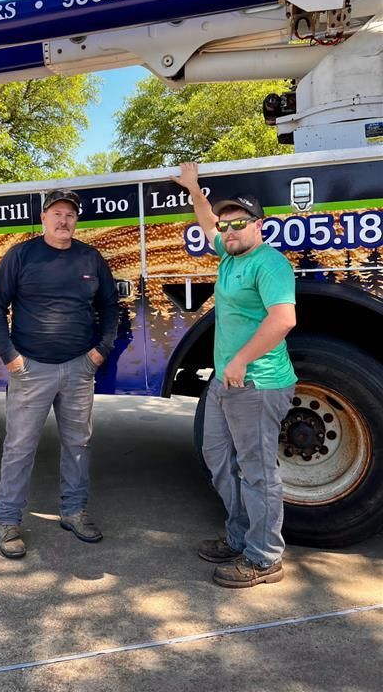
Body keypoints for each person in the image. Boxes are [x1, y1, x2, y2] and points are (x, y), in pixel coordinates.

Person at [174, 163, 297, 588]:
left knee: (257, 470)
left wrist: (242, 359)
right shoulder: (228, 254)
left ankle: (264, 558)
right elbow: (207, 219)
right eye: (226, 225)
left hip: (259, 383)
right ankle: (241, 536)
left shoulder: (270, 264)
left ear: (258, 226)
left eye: (238, 223)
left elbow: (283, 320)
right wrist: (194, 189)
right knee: (217, 457)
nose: (229, 230)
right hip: (226, 383)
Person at [0, 189, 119, 559]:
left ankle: (74, 512)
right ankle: (9, 520)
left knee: (78, 445)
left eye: (71, 215)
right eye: (57, 213)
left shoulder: (90, 258)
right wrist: (11, 358)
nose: (64, 221)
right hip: (30, 369)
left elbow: (111, 306)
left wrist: (99, 352)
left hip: (79, 368)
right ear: (44, 217)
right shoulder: (22, 255)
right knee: (19, 447)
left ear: (77, 221)